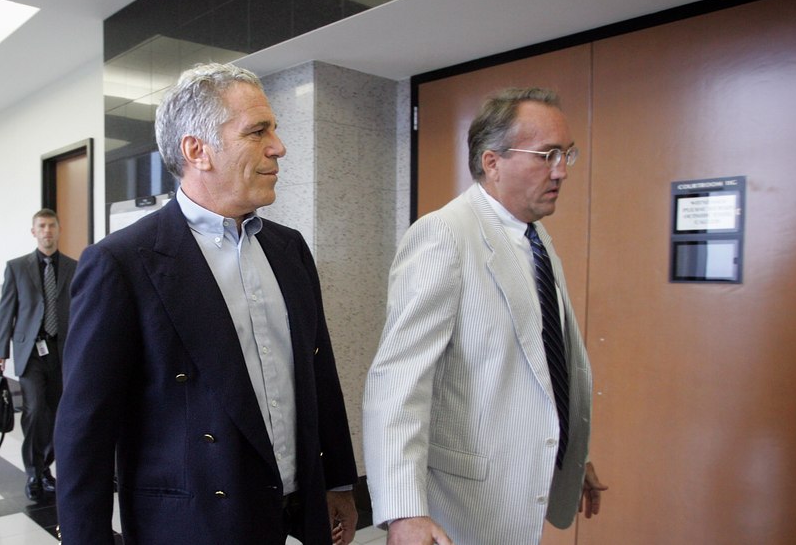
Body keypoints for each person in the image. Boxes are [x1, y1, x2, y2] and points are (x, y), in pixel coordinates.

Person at [55, 63, 358, 545]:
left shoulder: (289, 249)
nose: (279, 147)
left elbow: (319, 374)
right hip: (191, 523)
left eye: (274, 130)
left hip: (295, 511)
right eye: (258, 131)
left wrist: (338, 481)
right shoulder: (122, 263)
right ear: (197, 150)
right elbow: (84, 429)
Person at [363, 88, 608, 545]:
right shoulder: (445, 235)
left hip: (519, 489)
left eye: (566, 154)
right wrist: (404, 511)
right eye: (547, 155)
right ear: (492, 162)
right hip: (464, 504)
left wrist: (568, 458)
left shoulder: (535, 239)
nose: (561, 170)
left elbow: (542, 366)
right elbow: (398, 381)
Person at [0, 209, 77, 501]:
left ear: (59, 229)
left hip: (62, 350)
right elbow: (6, 310)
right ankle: (33, 471)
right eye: (41, 226)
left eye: (51, 225)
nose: (47, 231)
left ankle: (45, 469)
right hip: (30, 351)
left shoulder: (74, 267)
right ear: (34, 232)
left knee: (56, 412)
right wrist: (0, 351)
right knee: (35, 409)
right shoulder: (17, 267)